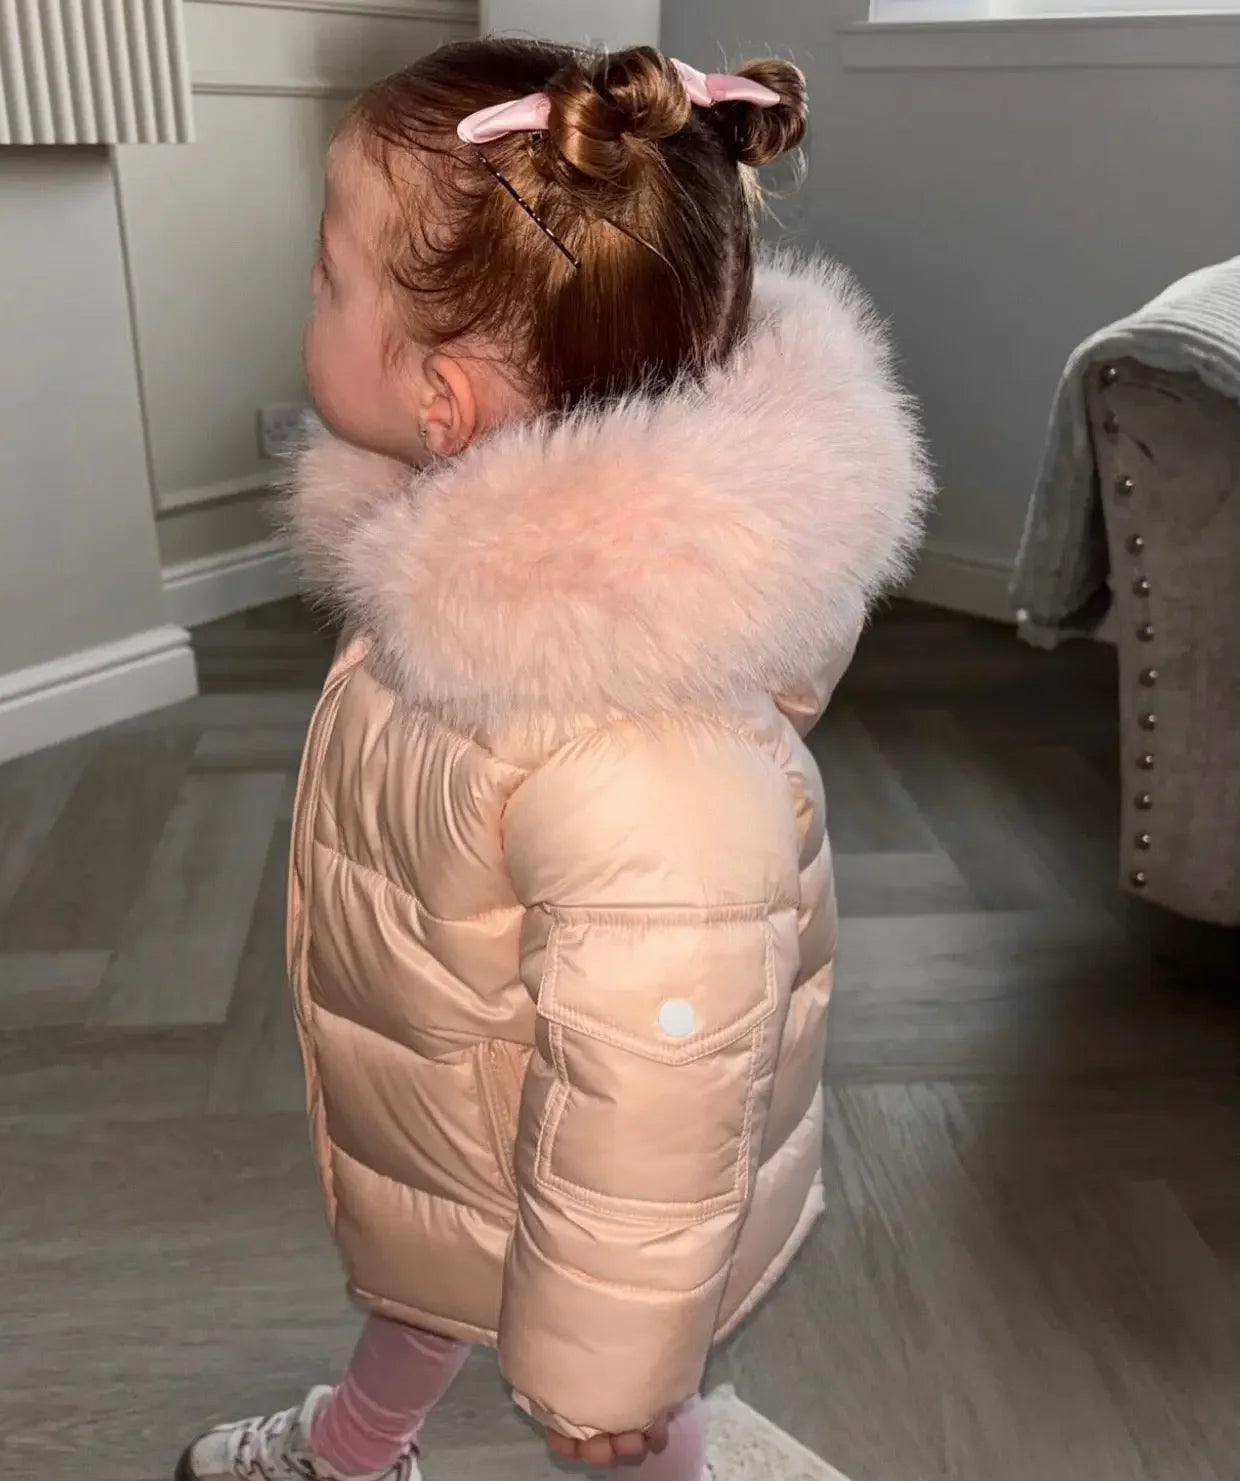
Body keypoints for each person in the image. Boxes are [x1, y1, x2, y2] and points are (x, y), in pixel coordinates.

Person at [177, 37, 929, 1481]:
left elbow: (663, 1083)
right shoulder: (457, 575)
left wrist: (610, 1368)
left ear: (443, 399)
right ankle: (355, 1446)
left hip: (584, 1176)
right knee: (432, 1262)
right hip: (468, 1099)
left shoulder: (632, 745)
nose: (309, 296)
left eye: (328, 276)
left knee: (632, 1424)